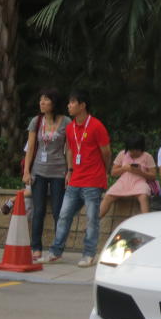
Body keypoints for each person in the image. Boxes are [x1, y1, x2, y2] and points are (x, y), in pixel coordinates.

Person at [39, 90, 111, 268]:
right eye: (69, 103)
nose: (69, 106)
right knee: (63, 216)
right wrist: (70, 171)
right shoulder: (70, 127)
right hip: (76, 179)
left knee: (92, 219)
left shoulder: (96, 126)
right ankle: (55, 252)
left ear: (82, 105)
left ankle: (88, 254)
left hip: (93, 180)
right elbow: (70, 149)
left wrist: (105, 170)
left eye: (72, 103)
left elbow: (106, 152)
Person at [19, 89, 70, 260]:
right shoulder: (36, 121)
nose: (41, 103)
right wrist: (26, 171)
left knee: (58, 212)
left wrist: (70, 171)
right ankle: (36, 248)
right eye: (40, 99)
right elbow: (31, 148)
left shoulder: (66, 122)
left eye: (46, 100)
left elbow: (69, 149)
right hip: (38, 171)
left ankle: (57, 249)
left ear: (54, 103)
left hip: (58, 171)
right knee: (38, 210)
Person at [100, 133, 157, 217]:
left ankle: (146, 221)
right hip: (123, 182)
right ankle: (94, 222)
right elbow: (113, 173)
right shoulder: (122, 154)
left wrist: (140, 172)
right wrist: (124, 168)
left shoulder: (147, 156)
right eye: (131, 150)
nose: (133, 153)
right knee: (108, 196)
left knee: (143, 196)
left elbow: (153, 176)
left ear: (141, 148)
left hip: (139, 182)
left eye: (136, 150)